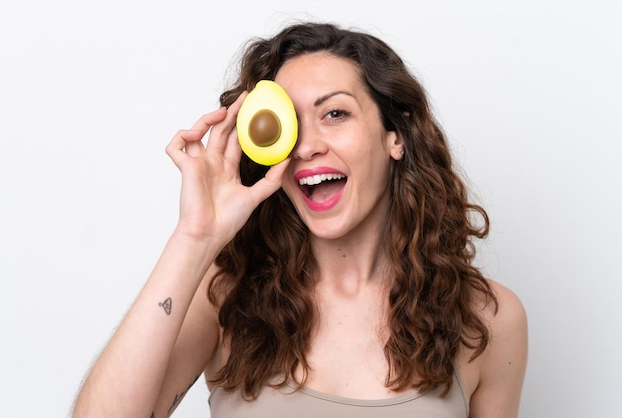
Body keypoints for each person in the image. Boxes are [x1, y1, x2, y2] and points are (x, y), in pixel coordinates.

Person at [72, 21, 528, 418]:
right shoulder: (225, 295)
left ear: (396, 135)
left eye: (335, 113)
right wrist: (195, 237)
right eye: (287, 122)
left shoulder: (488, 318)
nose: (306, 146)